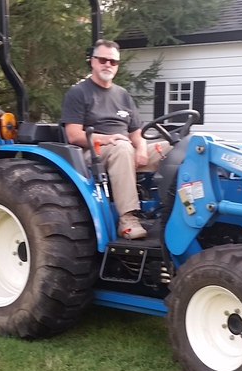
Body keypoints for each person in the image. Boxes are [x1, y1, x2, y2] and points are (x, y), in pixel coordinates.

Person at [61, 39, 169, 240]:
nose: (108, 65)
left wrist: (142, 149)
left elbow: (136, 131)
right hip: (93, 152)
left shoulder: (123, 94)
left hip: (125, 148)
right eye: (103, 60)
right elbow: (73, 135)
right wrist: (108, 138)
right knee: (122, 148)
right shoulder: (78, 93)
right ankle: (127, 219)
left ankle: (176, 211)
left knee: (175, 147)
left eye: (113, 61)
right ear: (92, 61)